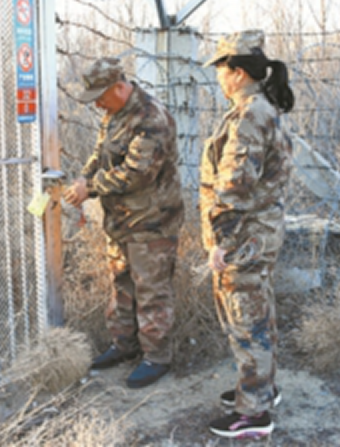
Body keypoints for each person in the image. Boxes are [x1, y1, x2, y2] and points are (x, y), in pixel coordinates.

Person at [64, 56, 184, 389]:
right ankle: (124, 345)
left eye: (101, 97)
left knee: (152, 290)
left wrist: (90, 188)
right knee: (122, 285)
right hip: (122, 221)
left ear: (119, 87)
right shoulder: (115, 114)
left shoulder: (151, 118)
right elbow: (100, 153)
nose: (98, 105)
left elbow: (137, 173)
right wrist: (85, 176)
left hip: (151, 223)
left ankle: (156, 357)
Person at [199, 30, 294, 439]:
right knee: (258, 314)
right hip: (258, 231)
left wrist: (221, 242)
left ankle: (253, 413)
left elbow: (235, 184)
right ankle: (260, 388)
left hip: (244, 236)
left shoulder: (250, 115)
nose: (218, 77)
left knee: (246, 320)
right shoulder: (259, 109)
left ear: (237, 72)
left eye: (221, 69)